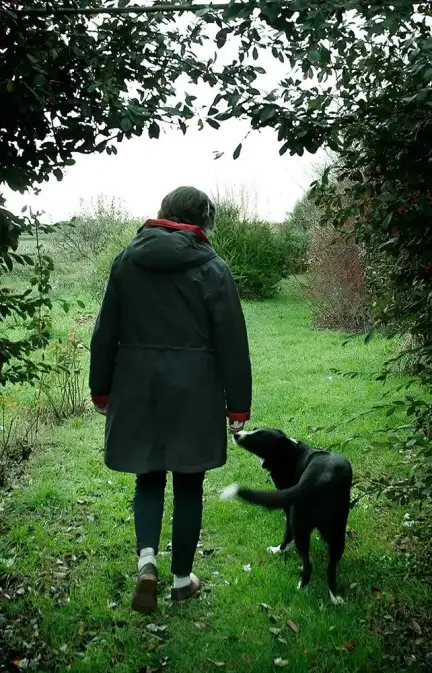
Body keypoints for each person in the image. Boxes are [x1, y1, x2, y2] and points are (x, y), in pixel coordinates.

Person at [89, 186, 252, 614]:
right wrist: (238, 407)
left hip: (137, 386)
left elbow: (105, 331)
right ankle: (182, 581)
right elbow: (233, 341)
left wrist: (101, 388)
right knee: (189, 482)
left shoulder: (127, 261)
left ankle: (147, 563)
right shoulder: (213, 267)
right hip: (194, 391)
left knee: (147, 475)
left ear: (163, 213)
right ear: (202, 221)